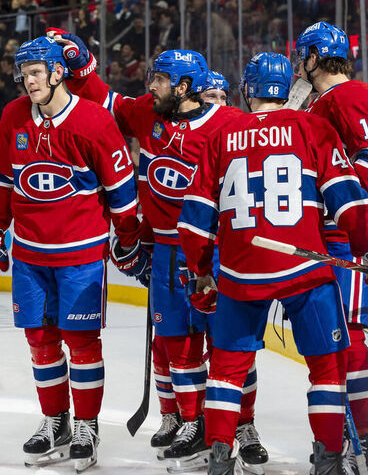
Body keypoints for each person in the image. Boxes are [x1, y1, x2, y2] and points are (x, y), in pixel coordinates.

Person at [51, 29, 251, 472]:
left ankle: (237, 424)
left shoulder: (229, 123)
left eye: (160, 79)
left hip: (216, 252)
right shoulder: (147, 114)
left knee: (225, 342)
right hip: (164, 250)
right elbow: (103, 102)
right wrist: (81, 64)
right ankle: (191, 421)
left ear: (183, 87)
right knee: (178, 342)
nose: (151, 86)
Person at [177, 52, 368, 475]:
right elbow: (348, 200)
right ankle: (328, 461)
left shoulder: (221, 135)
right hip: (304, 269)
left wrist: (203, 269)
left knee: (227, 368)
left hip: (242, 272)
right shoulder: (314, 127)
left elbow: (194, 218)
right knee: (326, 367)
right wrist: (363, 242)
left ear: (248, 90)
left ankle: (220, 460)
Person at [0, 36, 146, 473]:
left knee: (82, 343)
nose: (28, 80)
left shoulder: (92, 120)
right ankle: (57, 421)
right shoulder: (15, 115)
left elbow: (122, 194)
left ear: (58, 72)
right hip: (30, 254)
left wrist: (127, 241)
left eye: (36, 72)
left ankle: (88, 425)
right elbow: (4, 180)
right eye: (24, 73)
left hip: (81, 255)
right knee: (40, 341)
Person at [294, 22, 368, 462]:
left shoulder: (344, 98)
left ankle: (362, 431)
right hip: (338, 236)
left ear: (316, 57)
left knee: (351, 335)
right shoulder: (327, 101)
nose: (300, 65)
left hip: (348, 237)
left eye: (303, 57)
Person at [201, 70, 268, 469]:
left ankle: (245, 426)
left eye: (219, 95)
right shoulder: (189, 135)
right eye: (206, 95)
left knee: (237, 352)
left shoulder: (242, 134)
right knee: (189, 348)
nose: (214, 102)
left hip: (233, 257)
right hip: (195, 255)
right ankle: (194, 425)